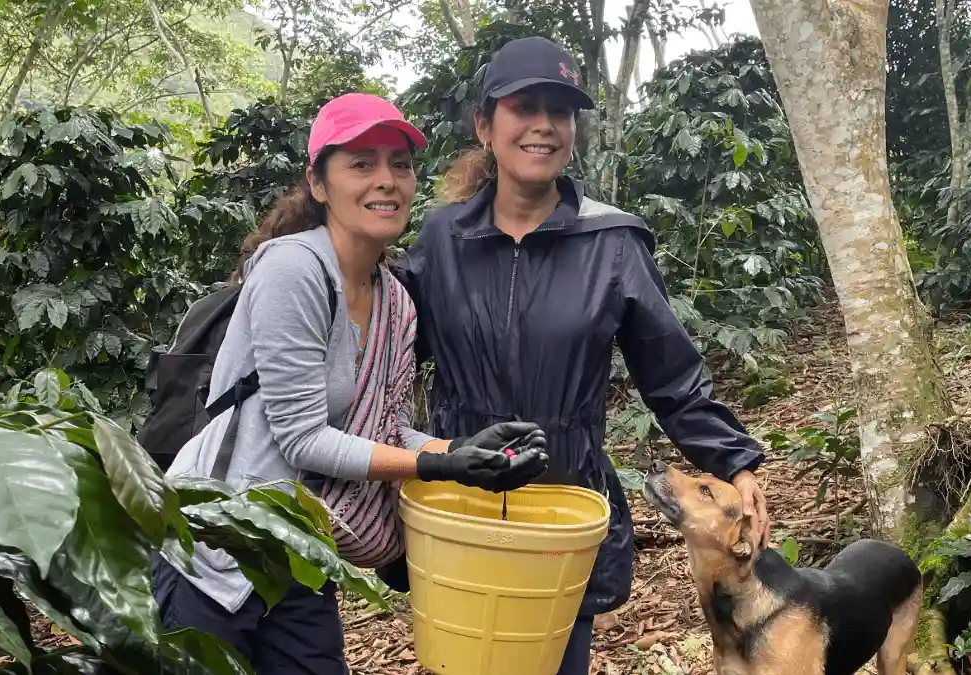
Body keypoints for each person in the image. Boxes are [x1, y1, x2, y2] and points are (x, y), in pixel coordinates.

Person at [393, 37, 771, 674]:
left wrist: (735, 461)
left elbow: (671, 377)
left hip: (564, 506)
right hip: (462, 504)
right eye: (525, 107)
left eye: (560, 111)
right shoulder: (442, 239)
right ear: (486, 126)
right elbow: (385, 350)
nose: (544, 125)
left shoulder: (612, 242)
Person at [154, 92, 550, 675]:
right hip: (216, 546)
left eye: (400, 164)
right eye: (361, 164)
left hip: (300, 552)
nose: (386, 181)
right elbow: (302, 439)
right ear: (319, 184)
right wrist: (437, 468)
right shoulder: (293, 269)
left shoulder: (394, 299)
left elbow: (384, 429)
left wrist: (462, 450)